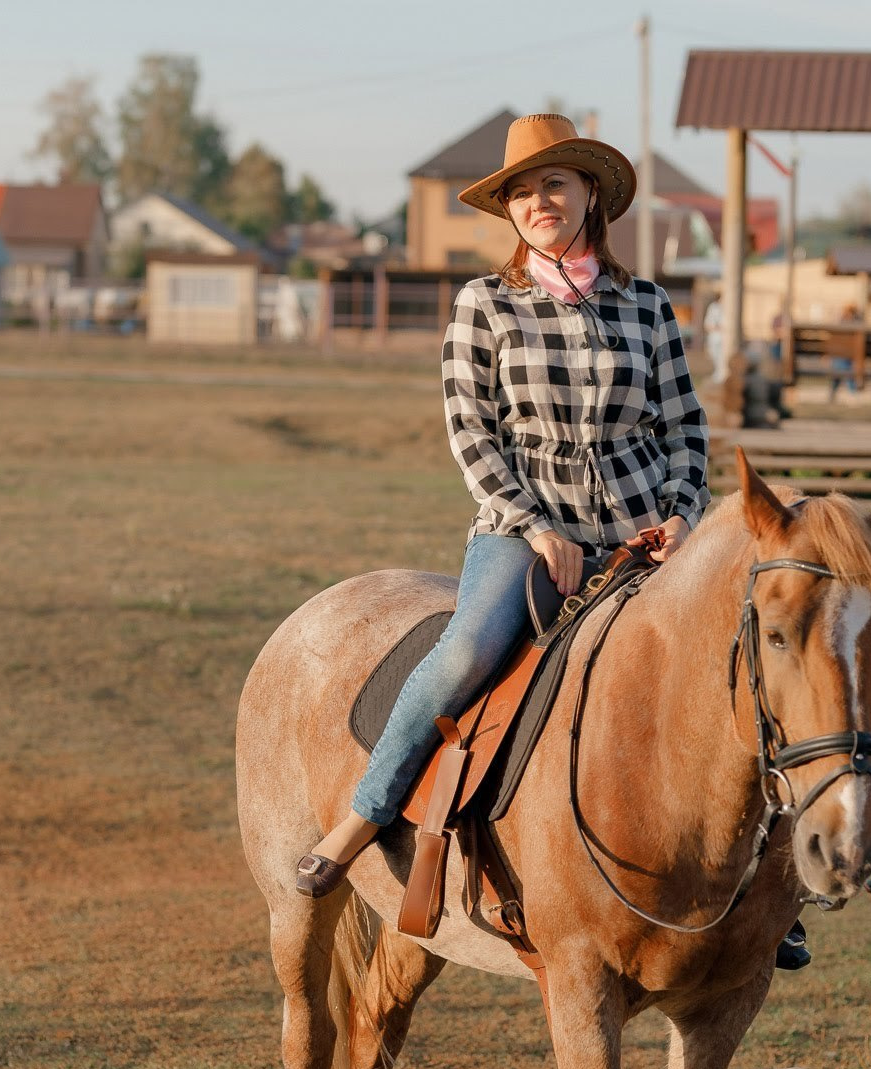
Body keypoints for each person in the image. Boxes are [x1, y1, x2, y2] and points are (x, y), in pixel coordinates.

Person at [294, 113, 810, 970]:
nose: (540, 201)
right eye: (523, 191)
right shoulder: (484, 305)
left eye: (555, 185)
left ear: (589, 195)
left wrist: (684, 511)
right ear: (510, 210)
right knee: (467, 653)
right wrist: (535, 529)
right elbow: (472, 433)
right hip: (523, 524)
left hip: (650, 528)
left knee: (749, 664)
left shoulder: (646, 304)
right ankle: (364, 814)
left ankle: (771, 887)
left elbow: (686, 427)